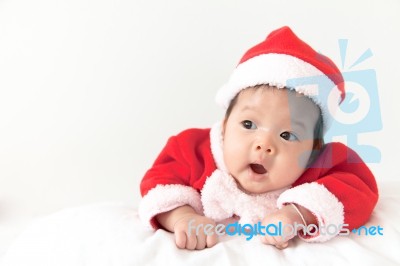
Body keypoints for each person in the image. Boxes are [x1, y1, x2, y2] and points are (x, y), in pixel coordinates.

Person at [138, 26, 378, 250]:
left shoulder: (322, 163)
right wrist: (182, 216)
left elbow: (359, 191)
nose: (264, 145)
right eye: (248, 124)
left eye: (287, 135)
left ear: (313, 149)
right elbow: (160, 185)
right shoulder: (193, 149)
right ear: (225, 125)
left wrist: (297, 214)